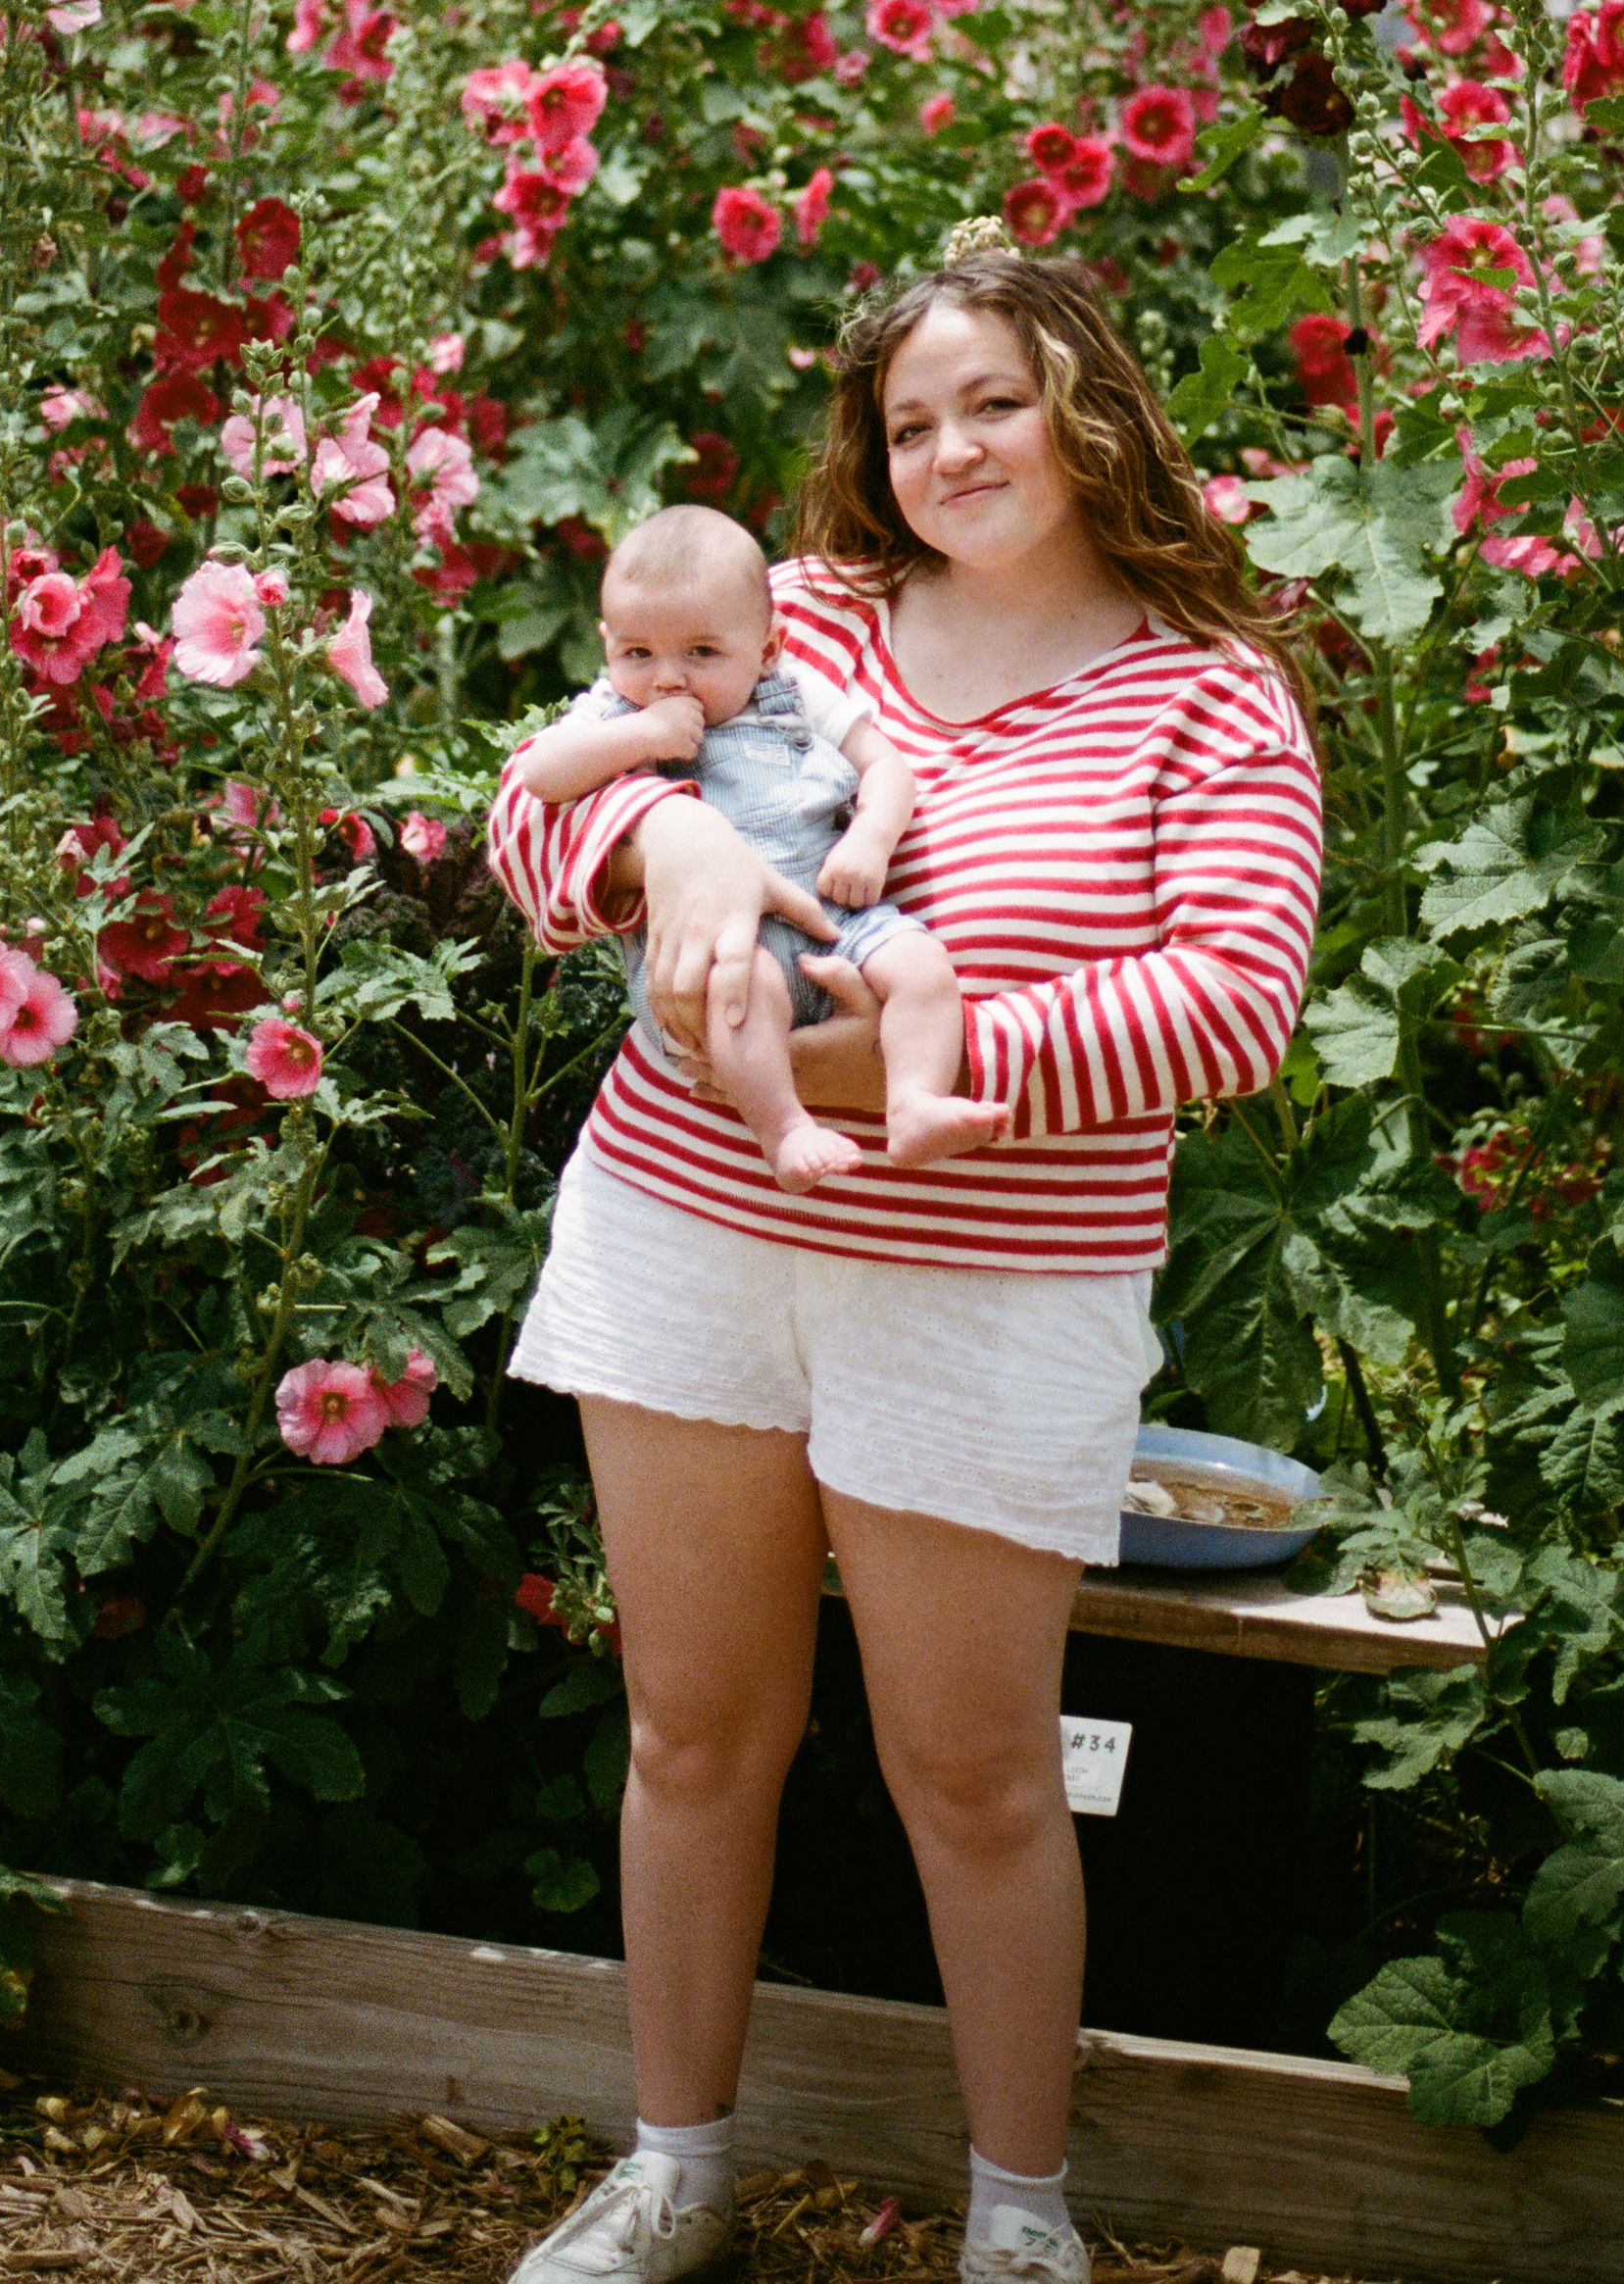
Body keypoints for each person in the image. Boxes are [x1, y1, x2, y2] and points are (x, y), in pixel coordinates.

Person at [488, 224, 1323, 2284]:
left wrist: (882, 1065)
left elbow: (1229, 1003)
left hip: (992, 1285)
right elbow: (528, 817)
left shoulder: (1205, 697)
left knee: (973, 1774)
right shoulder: (805, 618)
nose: (952, 448)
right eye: (911, 416)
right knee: (692, 1729)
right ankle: (674, 2169)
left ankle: (1016, 2222)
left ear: (1087, 406)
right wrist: (662, 836)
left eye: (995, 403)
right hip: (689, 1228)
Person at [514, 502, 1002, 1188]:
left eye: (702, 653)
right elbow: (540, 774)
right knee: (744, 994)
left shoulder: (794, 693)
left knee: (922, 966)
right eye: (637, 653)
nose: (668, 678)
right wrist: (643, 738)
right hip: (715, 952)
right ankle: (785, 1130)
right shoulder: (617, 711)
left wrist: (869, 837)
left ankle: (915, 1099)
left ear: (767, 649)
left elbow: (886, 766)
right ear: (608, 644)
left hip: (837, 918)